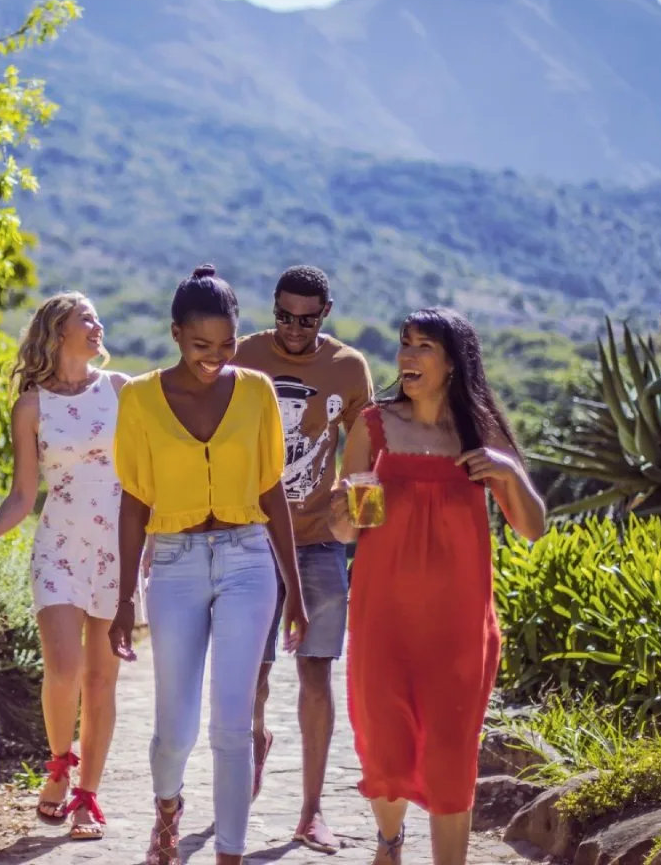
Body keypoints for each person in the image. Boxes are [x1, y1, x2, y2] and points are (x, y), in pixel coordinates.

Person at [329, 308, 546, 865]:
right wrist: (347, 503)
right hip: (383, 619)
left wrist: (507, 469)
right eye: (405, 344)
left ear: (453, 362)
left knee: (452, 760)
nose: (407, 356)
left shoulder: (481, 434)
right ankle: (390, 839)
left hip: (459, 628)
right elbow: (347, 527)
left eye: (423, 346)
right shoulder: (373, 426)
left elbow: (533, 527)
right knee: (387, 751)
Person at [108, 264, 309, 865]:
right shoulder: (140, 399)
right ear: (175, 334)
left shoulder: (255, 391)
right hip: (173, 563)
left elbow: (271, 491)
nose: (214, 358)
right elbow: (133, 502)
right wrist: (123, 601)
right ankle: (167, 809)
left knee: (232, 724)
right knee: (175, 728)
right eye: (201, 346)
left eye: (226, 345)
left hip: (249, 560)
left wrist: (294, 589)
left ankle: (230, 853)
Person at [0, 292, 128, 841]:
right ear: (57, 332)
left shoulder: (122, 391)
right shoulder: (32, 406)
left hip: (118, 547)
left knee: (102, 678)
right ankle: (59, 764)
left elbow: (147, 475)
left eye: (96, 317)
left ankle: (88, 796)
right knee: (63, 669)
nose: (97, 325)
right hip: (59, 544)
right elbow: (21, 496)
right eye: (84, 319)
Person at [232, 265, 373, 854]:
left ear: (326, 313)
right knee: (253, 674)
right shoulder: (243, 356)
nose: (293, 328)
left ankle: (311, 811)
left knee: (316, 671)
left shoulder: (348, 368)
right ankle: (256, 742)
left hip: (317, 540)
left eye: (306, 318)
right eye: (283, 315)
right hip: (250, 538)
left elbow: (362, 463)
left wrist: (364, 533)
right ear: (274, 308)